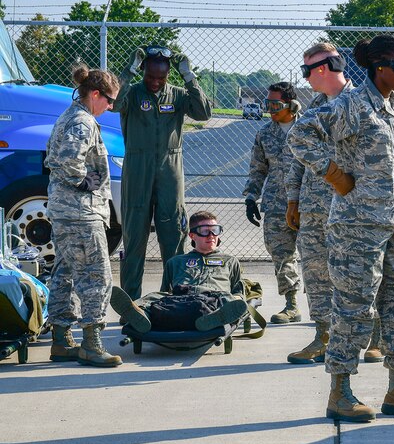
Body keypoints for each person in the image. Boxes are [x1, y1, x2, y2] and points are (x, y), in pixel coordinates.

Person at [288, 35, 394, 422]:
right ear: (379, 67)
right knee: (354, 307)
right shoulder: (352, 104)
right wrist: (335, 175)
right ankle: (341, 392)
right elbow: (301, 135)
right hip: (358, 225)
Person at [283, 43, 383, 366]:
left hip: (351, 207)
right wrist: (293, 198)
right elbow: (297, 155)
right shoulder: (314, 105)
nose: (305, 77)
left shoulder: (364, 101)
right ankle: (323, 336)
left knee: (362, 274)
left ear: (322, 69)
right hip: (314, 208)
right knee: (315, 271)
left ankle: (375, 337)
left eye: (306, 71)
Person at [115, 45, 212, 299]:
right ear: (144, 71)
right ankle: (131, 302)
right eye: (150, 76)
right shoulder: (133, 94)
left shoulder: (178, 95)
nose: (155, 82)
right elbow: (114, 104)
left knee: (173, 237)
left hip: (170, 170)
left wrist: (189, 76)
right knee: (134, 237)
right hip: (137, 170)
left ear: (169, 74)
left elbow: (203, 113)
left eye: (162, 77)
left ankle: (173, 298)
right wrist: (130, 69)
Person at [44, 64, 123, 367]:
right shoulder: (83, 122)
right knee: (96, 276)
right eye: (109, 99)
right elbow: (67, 159)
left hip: (65, 212)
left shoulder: (70, 116)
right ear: (94, 94)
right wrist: (84, 182)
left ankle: (61, 339)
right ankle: (92, 343)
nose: (111, 105)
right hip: (80, 214)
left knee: (64, 273)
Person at [110, 211, 248, 333]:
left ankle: (214, 318)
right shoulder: (176, 262)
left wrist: (238, 301)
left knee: (229, 298)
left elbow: (238, 290)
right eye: (205, 231)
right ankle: (140, 315)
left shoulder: (230, 261)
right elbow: (166, 290)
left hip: (213, 298)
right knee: (155, 296)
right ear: (192, 235)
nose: (211, 235)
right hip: (182, 298)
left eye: (215, 230)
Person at [243, 82, 303, 325]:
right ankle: (291, 305)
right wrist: (250, 197)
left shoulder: (310, 129)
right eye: (267, 104)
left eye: (275, 105)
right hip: (277, 205)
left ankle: (329, 308)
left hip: (311, 205)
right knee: (281, 254)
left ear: (292, 105)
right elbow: (258, 169)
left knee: (318, 258)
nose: (270, 110)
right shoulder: (265, 134)